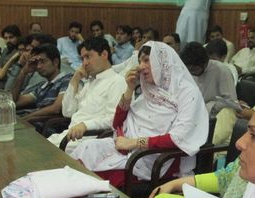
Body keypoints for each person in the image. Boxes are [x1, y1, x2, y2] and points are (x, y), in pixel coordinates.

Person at [69, 41, 208, 188]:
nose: (141, 66)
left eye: (147, 60)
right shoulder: (149, 91)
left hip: (155, 160)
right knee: (85, 151)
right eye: (140, 61)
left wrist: (133, 143)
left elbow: (178, 138)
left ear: (163, 62)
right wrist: (129, 89)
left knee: (90, 180)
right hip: (128, 150)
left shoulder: (187, 93)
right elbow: (117, 124)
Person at [47, 37, 126, 153]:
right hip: (70, 136)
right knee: (38, 147)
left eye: (88, 57)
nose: (84, 63)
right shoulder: (90, 83)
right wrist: (74, 80)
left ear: (104, 54)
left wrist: (85, 125)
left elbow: (113, 120)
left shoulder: (117, 82)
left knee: (42, 153)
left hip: (91, 139)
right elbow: (67, 112)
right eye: (82, 58)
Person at [180, 42, 237, 145]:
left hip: (214, 119)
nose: (191, 72)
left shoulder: (221, 70)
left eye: (193, 69)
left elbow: (231, 102)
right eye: (188, 69)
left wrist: (209, 106)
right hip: (193, 116)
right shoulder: (189, 71)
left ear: (205, 63)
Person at [11, 43, 72, 119]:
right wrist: (23, 72)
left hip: (43, 128)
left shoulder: (67, 80)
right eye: (37, 63)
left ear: (55, 62)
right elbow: (14, 103)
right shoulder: (43, 86)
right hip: (29, 123)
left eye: (42, 62)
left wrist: (25, 119)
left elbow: (56, 108)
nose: (38, 66)